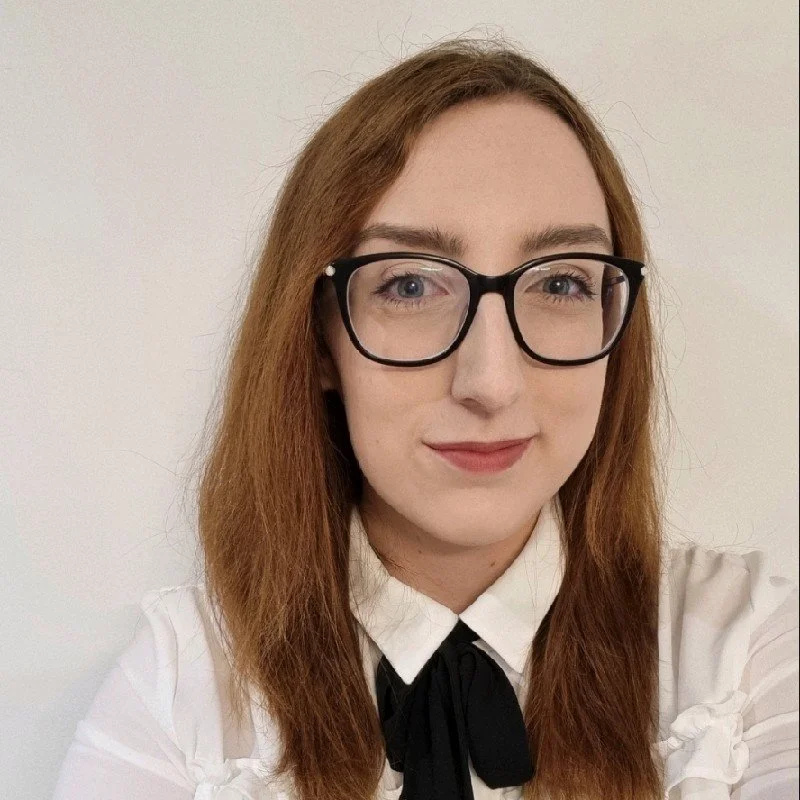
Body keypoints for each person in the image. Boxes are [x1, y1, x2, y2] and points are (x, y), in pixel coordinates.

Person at [52, 37, 798, 800]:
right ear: (315, 338)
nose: (493, 382)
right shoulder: (184, 692)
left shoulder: (741, 654)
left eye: (564, 282)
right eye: (408, 285)